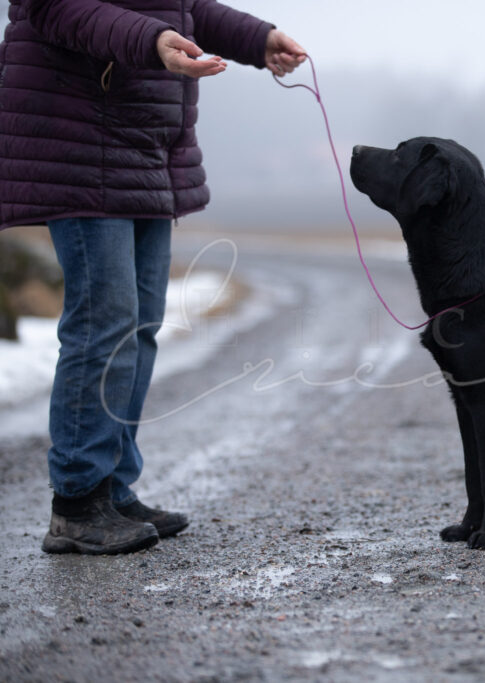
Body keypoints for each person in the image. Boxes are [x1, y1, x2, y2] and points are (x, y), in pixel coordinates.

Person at [0, 0, 306, 554]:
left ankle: (113, 487)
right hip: (79, 141)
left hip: (145, 147)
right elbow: (53, 7)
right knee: (104, 322)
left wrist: (257, 39)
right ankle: (76, 501)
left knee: (140, 323)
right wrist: (152, 40)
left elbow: (182, 9)